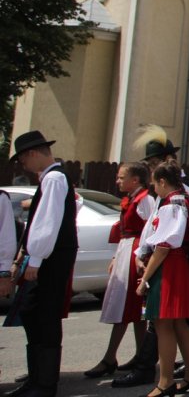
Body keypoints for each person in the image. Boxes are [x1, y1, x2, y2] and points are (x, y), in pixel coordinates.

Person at [110, 129, 187, 389]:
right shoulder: (164, 193)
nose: (151, 171)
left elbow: (162, 236)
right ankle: (187, 369)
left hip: (171, 261)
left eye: (154, 164)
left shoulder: (175, 194)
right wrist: (141, 252)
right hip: (159, 256)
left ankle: (154, 372)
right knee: (173, 322)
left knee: (165, 321)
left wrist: (147, 264)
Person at [5, 131, 78, 397]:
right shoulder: (51, 178)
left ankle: (44, 384)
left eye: (23, 159)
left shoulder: (55, 178)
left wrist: (35, 258)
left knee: (44, 315)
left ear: (33, 153)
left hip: (50, 258)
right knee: (34, 314)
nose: (23, 164)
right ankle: (37, 378)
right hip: (47, 256)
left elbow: (48, 222)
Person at [136, 162, 189, 397]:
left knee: (163, 324)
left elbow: (163, 247)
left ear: (163, 182)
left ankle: (165, 381)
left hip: (171, 269)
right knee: (180, 323)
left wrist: (144, 278)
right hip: (182, 266)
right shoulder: (185, 201)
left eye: (154, 184)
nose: (154, 189)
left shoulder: (171, 205)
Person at [87, 162, 153, 379]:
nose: (118, 181)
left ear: (135, 180)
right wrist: (117, 256)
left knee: (128, 307)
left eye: (122, 177)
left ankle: (113, 358)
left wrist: (142, 257)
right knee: (131, 309)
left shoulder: (145, 200)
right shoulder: (134, 198)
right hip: (127, 250)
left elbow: (150, 230)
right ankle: (139, 355)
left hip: (136, 252)